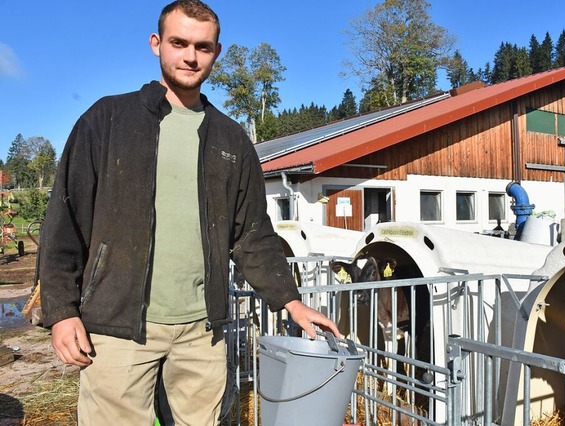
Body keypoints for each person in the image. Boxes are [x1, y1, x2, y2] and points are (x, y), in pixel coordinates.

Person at [37, 1, 340, 424]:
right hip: (117, 325)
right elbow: (64, 223)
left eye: (203, 46)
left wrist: (290, 300)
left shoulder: (231, 139)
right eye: (179, 43)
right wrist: (61, 311)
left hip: (202, 331)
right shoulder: (107, 120)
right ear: (156, 44)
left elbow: (251, 233)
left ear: (217, 52)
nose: (190, 56)